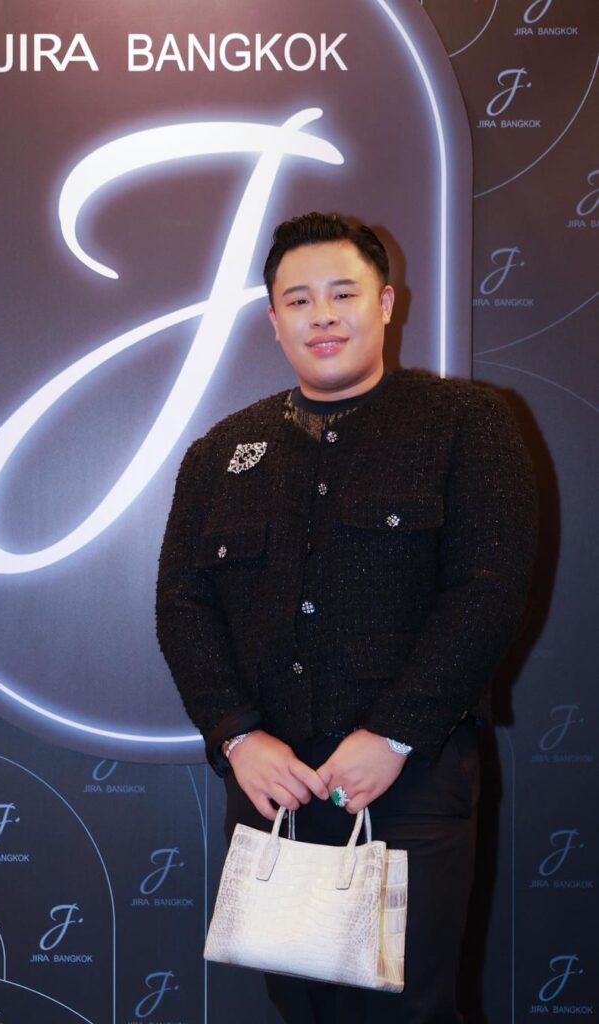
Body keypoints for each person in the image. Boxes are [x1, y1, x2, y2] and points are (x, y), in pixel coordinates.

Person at [155, 212, 538, 1023]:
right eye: (298, 300)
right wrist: (236, 736)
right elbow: (182, 605)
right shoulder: (219, 453)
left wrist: (395, 733)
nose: (321, 315)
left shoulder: (467, 424)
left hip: (411, 782)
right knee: (297, 1003)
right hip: (273, 792)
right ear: (273, 319)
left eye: (343, 293)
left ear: (385, 302)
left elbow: (486, 590)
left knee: (406, 1005)